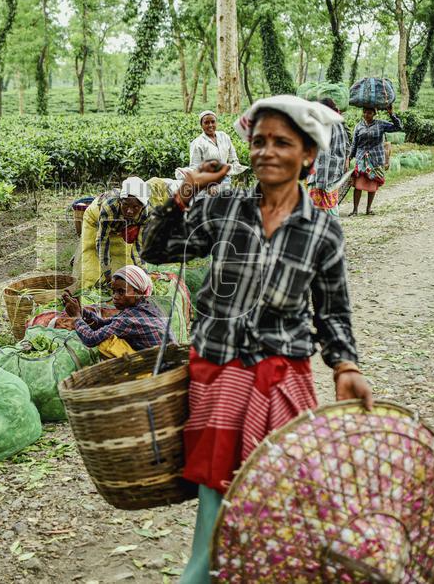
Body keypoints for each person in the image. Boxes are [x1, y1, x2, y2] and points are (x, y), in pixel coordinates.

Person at [142, 94, 373, 584]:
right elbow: (156, 248)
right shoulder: (224, 207)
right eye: (259, 141)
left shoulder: (322, 232)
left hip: (282, 381)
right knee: (214, 524)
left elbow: (333, 312)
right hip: (220, 379)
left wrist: (346, 367)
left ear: (308, 154)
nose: (267, 151)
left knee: (285, 513)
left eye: (282, 142)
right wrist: (186, 192)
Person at [61, 265, 171, 358]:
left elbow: (91, 339)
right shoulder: (148, 305)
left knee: (106, 344)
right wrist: (81, 310)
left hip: (158, 369)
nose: (115, 297)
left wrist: (76, 317)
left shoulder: (129, 318)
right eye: (113, 291)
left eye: (121, 292)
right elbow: (105, 323)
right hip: (168, 358)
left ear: (138, 291)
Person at [76, 177, 150, 291]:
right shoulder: (109, 208)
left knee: (123, 265)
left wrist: (144, 275)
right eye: (125, 205)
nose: (130, 211)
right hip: (94, 220)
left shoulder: (145, 214)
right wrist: (107, 273)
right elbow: (102, 242)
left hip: (119, 226)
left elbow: (139, 245)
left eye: (135, 207)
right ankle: (88, 293)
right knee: (92, 263)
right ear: (120, 201)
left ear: (142, 206)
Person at [349, 105, 401, 216]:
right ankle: (355, 210)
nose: (366, 115)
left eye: (369, 113)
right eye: (365, 112)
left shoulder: (380, 124)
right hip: (361, 158)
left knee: (372, 184)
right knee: (358, 184)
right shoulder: (359, 126)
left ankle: (368, 209)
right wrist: (349, 158)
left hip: (375, 159)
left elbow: (398, 127)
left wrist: (391, 114)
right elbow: (354, 144)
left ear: (374, 114)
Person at [307, 98, 352, 217]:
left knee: (321, 212)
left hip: (322, 177)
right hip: (334, 175)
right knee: (331, 208)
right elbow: (347, 146)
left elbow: (323, 156)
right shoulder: (338, 124)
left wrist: (321, 183)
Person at [189, 111, 248, 195]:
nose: (210, 125)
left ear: (216, 122)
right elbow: (194, 168)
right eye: (206, 122)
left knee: (225, 204)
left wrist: (235, 165)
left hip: (226, 179)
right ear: (201, 125)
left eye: (213, 122)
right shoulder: (197, 143)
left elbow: (232, 154)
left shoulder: (224, 136)